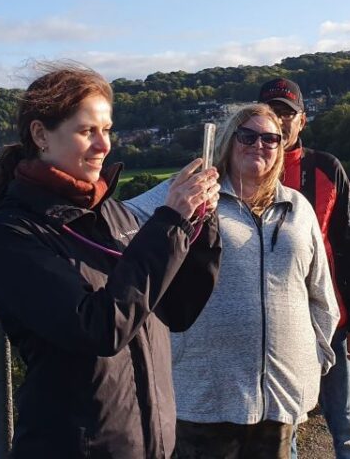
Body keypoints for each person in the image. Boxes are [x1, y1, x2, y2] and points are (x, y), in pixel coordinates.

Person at [0, 64, 222, 459]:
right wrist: (170, 223)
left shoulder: (114, 214)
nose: (103, 145)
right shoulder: (9, 233)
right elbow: (99, 328)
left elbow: (177, 309)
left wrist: (199, 223)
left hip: (152, 443)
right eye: (87, 131)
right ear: (41, 135)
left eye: (106, 130)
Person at [127, 103, 339, 459]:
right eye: (248, 136)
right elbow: (121, 220)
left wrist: (315, 356)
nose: (259, 145)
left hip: (279, 397)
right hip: (202, 394)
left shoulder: (298, 208)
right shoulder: (195, 194)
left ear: (281, 148)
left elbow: (320, 293)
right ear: (228, 141)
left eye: (270, 139)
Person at [258, 78, 350, 459]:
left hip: (330, 322)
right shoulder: (245, 174)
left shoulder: (326, 169)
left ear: (302, 120)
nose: (280, 120)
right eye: (272, 112)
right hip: (274, 327)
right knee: (282, 426)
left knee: (345, 420)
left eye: (287, 113)